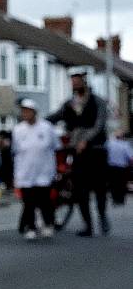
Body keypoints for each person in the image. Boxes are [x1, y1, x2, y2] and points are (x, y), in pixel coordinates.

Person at [47, 71, 110, 236]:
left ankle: (102, 216)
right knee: (80, 188)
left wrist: (86, 140)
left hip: (96, 150)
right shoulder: (69, 104)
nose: (75, 85)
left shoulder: (97, 102)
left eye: (77, 81)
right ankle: (87, 225)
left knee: (99, 187)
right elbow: (55, 117)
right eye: (72, 82)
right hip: (77, 152)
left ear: (84, 82)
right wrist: (38, 122)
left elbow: (99, 124)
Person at [12, 99, 59, 240]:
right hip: (25, 171)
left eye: (28, 111)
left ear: (35, 112)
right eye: (23, 111)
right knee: (28, 201)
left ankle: (47, 224)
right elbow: (15, 151)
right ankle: (30, 226)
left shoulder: (47, 127)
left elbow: (55, 147)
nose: (25, 114)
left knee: (45, 200)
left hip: (44, 170)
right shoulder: (18, 130)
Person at [105, 129, 132, 205]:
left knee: (113, 183)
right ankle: (121, 199)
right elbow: (130, 156)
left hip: (111, 167)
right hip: (122, 167)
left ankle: (115, 199)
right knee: (122, 184)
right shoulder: (125, 144)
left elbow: (105, 152)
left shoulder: (109, 143)